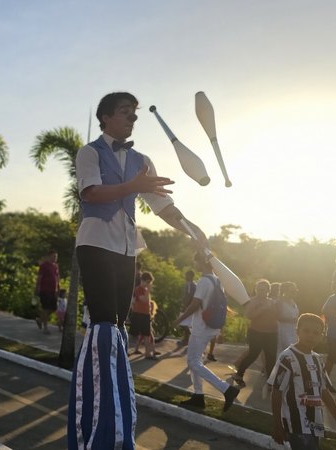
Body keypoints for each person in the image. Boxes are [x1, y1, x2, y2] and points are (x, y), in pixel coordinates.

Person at [69, 91, 209, 449]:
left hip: (126, 249)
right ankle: (95, 421)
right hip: (96, 243)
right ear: (105, 118)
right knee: (102, 326)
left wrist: (193, 229)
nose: (132, 119)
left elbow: (161, 205)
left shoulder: (141, 159)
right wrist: (133, 187)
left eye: (134, 114)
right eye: (125, 113)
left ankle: (116, 414)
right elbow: (92, 194)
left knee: (116, 328)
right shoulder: (90, 152)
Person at [270, 313, 336, 449]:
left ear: (322, 336)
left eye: (316, 333)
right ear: (297, 331)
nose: (311, 336)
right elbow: (276, 391)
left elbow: (325, 393)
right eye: (306, 331)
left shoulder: (317, 359)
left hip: (315, 424)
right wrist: (277, 424)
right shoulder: (287, 357)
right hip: (295, 424)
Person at [175, 251, 240, 411]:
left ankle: (226, 389)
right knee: (196, 360)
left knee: (193, 362)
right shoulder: (218, 281)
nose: (194, 264)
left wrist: (179, 319)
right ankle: (198, 396)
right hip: (211, 326)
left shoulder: (204, 281)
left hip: (201, 327)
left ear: (202, 262)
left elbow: (195, 304)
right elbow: (222, 306)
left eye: (195, 261)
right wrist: (221, 330)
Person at [232, 279, 278, 388]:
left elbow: (277, 316)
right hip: (257, 333)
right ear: (256, 290)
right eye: (258, 289)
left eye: (263, 289)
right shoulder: (252, 301)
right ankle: (239, 374)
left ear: (268, 290)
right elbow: (248, 315)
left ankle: (270, 381)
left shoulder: (272, 302)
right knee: (253, 354)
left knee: (271, 357)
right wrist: (262, 309)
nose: (261, 291)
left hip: (272, 333)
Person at [130, 271, 157, 359]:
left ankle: (147, 354)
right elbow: (144, 300)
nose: (149, 284)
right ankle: (125, 350)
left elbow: (148, 302)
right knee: (134, 334)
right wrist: (148, 290)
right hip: (138, 314)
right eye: (148, 282)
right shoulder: (139, 289)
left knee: (146, 335)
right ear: (143, 280)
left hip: (145, 314)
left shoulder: (145, 290)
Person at [35, 250, 60, 335]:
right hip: (45, 289)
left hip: (53, 290)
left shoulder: (55, 266)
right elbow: (39, 277)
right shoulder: (44, 266)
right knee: (45, 308)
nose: (55, 258)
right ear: (49, 256)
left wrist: (58, 288)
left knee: (53, 308)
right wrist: (37, 287)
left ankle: (40, 319)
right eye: (53, 256)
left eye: (56, 257)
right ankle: (45, 327)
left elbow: (57, 278)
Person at [277, 281, 300, 352]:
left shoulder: (293, 302)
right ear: (285, 291)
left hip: (293, 330)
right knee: (287, 350)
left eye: (295, 291)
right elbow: (277, 317)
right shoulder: (280, 302)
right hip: (283, 330)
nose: (294, 293)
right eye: (292, 291)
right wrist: (292, 320)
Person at [177, 270, 197, 347]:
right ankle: (187, 340)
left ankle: (187, 340)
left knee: (183, 323)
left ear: (190, 276)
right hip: (192, 307)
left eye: (186, 275)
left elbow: (188, 296)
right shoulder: (195, 284)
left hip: (187, 306)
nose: (185, 277)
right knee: (187, 324)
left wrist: (185, 305)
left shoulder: (189, 284)